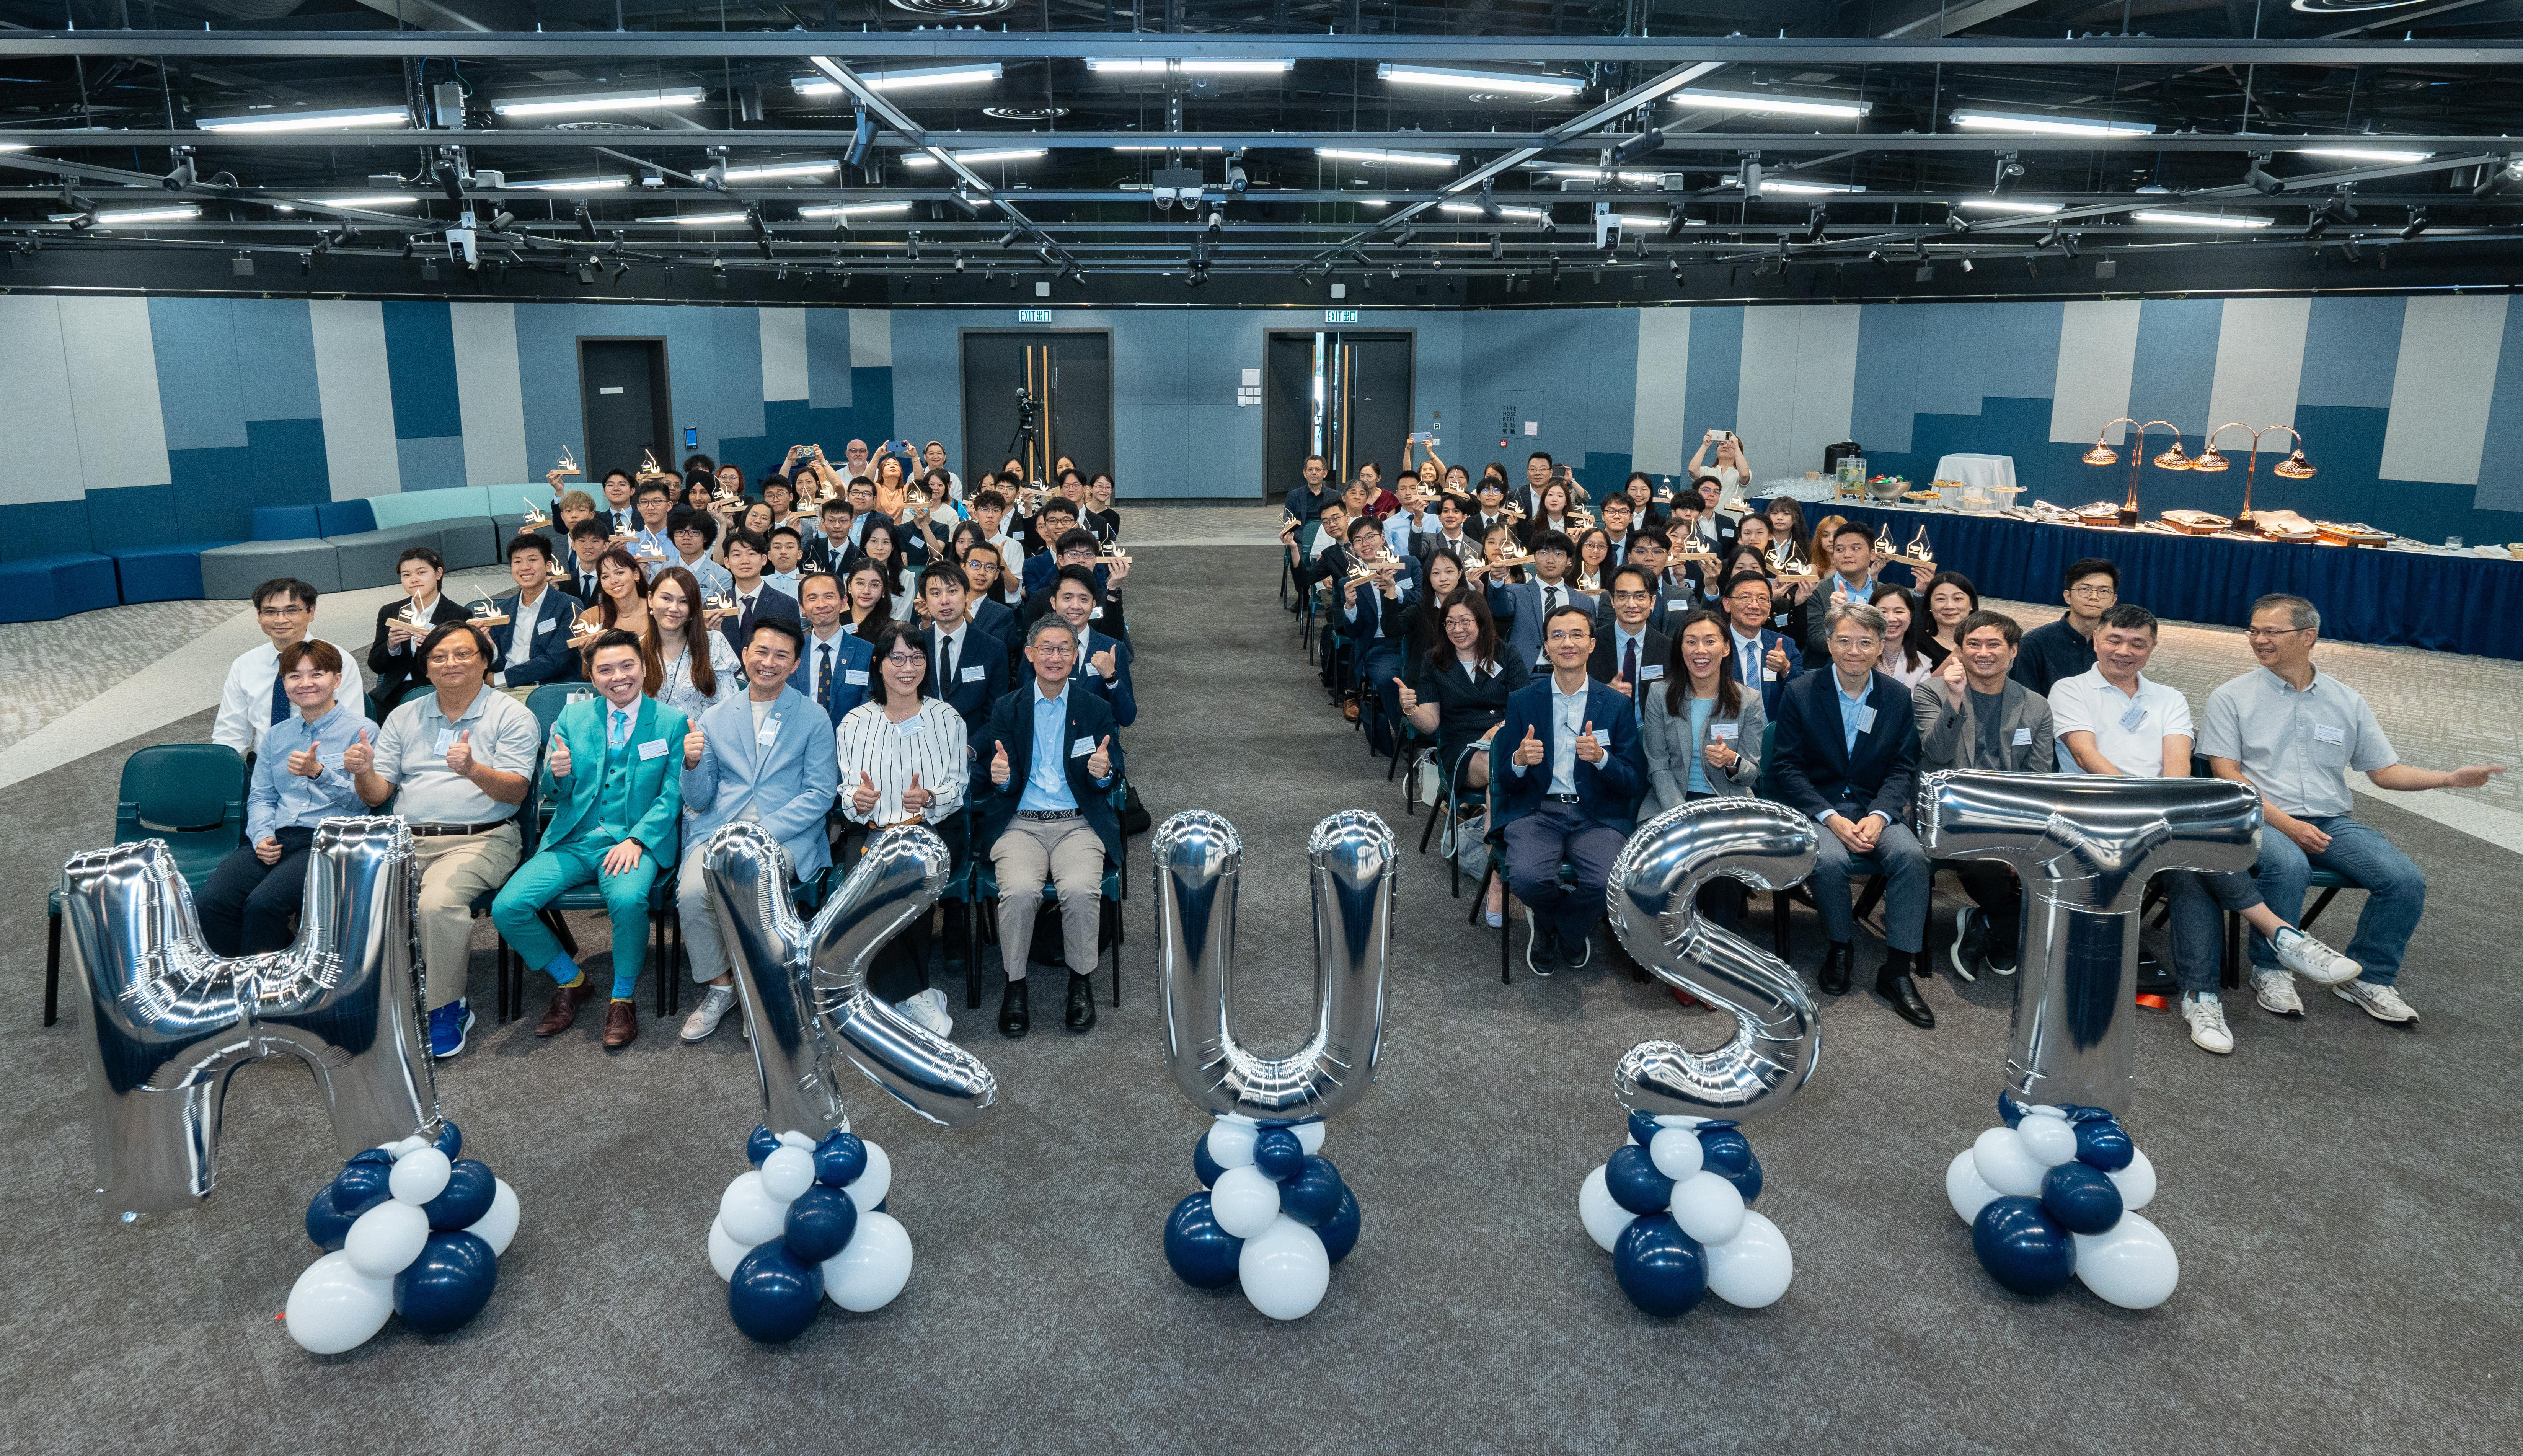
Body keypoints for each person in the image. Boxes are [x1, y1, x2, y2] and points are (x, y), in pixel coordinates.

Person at [2051, 603, 2362, 1053]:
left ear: (2152, 647)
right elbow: (2085, 758)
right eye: (2114, 640)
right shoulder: (2070, 689)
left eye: (2137, 643)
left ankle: (2203, 996)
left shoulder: (2168, 698)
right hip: (2096, 816)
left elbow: (2177, 768)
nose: (2124, 651)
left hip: (2163, 818)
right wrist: (2154, 808)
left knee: (2188, 871)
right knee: (2194, 853)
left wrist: (2163, 810)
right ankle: (2279, 933)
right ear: (2096, 640)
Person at [2201, 593, 2505, 1027]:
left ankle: (2370, 977)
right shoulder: (2231, 697)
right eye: (2253, 631)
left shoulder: (2344, 701)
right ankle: (2270, 970)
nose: (2258, 640)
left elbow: (2384, 772)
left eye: (2271, 631)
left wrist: (2449, 778)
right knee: (2287, 867)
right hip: (2257, 817)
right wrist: (2288, 824)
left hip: (2328, 821)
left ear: (2308, 636)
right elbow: (2228, 775)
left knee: (2403, 880)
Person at [344, 621, 539, 1057]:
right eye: (438, 657)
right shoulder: (405, 715)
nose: (450, 663)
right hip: (406, 839)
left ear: (484, 661)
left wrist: (473, 770)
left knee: (437, 903)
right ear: (426, 669)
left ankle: (448, 1006)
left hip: (482, 839)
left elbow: (516, 792)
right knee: (353, 895)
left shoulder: (512, 715)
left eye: (462, 654)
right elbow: (378, 794)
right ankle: (368, 1003)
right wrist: (362, 773)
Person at [493, 630, 688, 1050]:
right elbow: (553, 793)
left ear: (643, 666)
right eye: (606, 669)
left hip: (634, 841)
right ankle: (572, 980)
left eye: (627, 666)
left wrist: (637, 840)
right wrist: (556, 774)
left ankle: (622, 997)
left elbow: (672, 794)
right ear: (592, 675)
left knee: (629, 898)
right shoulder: (573, 718)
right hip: (574, 838)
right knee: (508, 908)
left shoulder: (670, 723)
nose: (618, 677)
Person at [1768, 601, 1935, 1029]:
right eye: (1844, 640)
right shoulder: (1802, 691)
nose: (1854, 650)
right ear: (1829, 643)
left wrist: (1880, 815)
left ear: (1881, 645)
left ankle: (1896, 971)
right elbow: (1785, 766)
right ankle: (1839, 947)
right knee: (1828, 860)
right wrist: (1828, 817)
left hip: (1873, 807)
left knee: (1912, 858)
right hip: (1819, 809)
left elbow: (1903, 766)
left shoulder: (1896, 697)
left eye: (1865, 642)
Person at [674, 618, 834, 1042]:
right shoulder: (715, 716)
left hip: (782, 835)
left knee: (749, 886)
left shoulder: (813, 717)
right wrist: (690, 764)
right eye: (761, 652)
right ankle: (721, 986)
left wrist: (763, 832)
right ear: (744, 656)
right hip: (719, 830)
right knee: (691, 892)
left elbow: (820, 794)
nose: (769, 662)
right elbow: (699, 798)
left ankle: (761, 992)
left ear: (796, 663)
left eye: (781, 655)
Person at [979, 615, 1124, 1040]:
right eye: (1046, 648)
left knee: (1080, 891)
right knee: (1020, 892)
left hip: (1076, 824)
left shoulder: (1094, 709)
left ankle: (1080, 983)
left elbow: (1107, 774)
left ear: (1075, 656)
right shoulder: (1009, 707)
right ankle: (1015, 985)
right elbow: (1002, 778)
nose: (1055, 656)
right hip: (1021, 824)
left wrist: (1102, 773)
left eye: (1064, 648)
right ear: (1029, 654)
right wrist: (1000, 776)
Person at [1491, 605, 1648, 974]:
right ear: (1546, 646)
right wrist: (1517, 759)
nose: (1568, 643)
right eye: (1558, 635)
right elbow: (1504, 780)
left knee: (1610, 880)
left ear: (1592, 644)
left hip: (1595, 816)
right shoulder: (1523, 701)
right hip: (1536, 811)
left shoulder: (1615, 705)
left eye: (1577, 634)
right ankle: (1561, 927)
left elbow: (1632, 781)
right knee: (1528, 877)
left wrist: (1601, 759)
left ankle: (1558, 928)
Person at [834, 622, 970, 1037]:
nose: (907, 667)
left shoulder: (945, 717)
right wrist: (857, 802)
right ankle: (918, 994)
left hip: (933, 828)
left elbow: (958, 786)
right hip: (872, 831)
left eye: (916, 657)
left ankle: (894, 992)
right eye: (897, 657)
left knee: (905, 875)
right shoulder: (855, 722)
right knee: (883, 880)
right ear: (879, 665)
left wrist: (930, 797)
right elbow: (845, 790)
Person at [198, 641, 375, 957]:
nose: (305, 683)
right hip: (278, 836)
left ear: (337, 679)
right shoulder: (278, 735)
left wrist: (319, 773)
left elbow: (363, 804)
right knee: (212, 901)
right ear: (284, 684)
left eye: (316, 674)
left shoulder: (362, 732)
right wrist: (262, 834)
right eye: (294, 676)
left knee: (264, 905)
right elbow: (262, 796)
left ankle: (270, 994)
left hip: (328, 840)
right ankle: (237, 982)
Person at [1912, 610, 2052, 981]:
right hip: (1949, 813)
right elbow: (1936, 755)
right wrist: (1955, 700)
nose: (1983, 652)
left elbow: (2035, 779)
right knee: (1982, 862)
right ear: (1958, 650)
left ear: (2013, 651)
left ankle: (1986, 921)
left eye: (1994, 644)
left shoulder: (2035, 705)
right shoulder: (1931, 692)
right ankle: (2010, 928)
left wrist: (2012, 836)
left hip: (2009, 813)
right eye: (1972, 644)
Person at [1398, 592, 1528, 928]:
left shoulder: (1506, 654)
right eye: (1450, 622)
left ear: (1482, 622)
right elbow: (1431, 723)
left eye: (1465, 621)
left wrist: (1500, 728)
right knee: (1497, 770)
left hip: (1506, 738)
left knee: (1512, 764)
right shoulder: (1435, 660)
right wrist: (1410, 709)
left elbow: (1525, 708)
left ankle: (1528, 859)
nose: (1457, 629)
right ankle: (1498, 881)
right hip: (1462, 748)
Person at [1640, 609, 1768, 939]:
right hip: (1671, 802)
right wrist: (1680, 814)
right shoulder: (1659, 694)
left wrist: (1731, 761)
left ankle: (1714, 957)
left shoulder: (1748, 700)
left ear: (1726, 648)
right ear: (1680, 649)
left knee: (1722, 872)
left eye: (1710, 641)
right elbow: (1657, 764)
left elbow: (1751, 772)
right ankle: (1674, 951)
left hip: (1726, 804)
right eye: (1691, 642)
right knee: (1667, 869)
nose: (1700, 650)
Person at [213, 577, 366, 756]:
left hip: (324, 763)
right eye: (270, 612)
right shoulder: (245, 664)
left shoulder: (338, 659)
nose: (280, 620)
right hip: (266, 765)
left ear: (311, 612)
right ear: (258, 615)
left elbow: (351, 727)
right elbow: (230, 732)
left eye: (291, 610)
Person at [1339, 515, 1420, 749]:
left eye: (1371, 537)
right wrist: (1350, 607)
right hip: (1378, 647)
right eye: (1358, 540)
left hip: (1413, 639)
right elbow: (1353, 633)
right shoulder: (1349, 581)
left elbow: (1425, 600)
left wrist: (1396, 591)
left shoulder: (1408, 564)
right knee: (1390, 681)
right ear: (1353, 547)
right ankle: (1408, 744)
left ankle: (1432, 736)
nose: (1365, 544)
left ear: (1383, 538)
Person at [365, 547, 470, 716]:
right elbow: (375, 665)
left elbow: (465, 665)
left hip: (435, 691)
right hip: (392, 692)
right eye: (406, 575)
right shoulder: (390, 611)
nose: (414, 579)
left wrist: (436, 647)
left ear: (438, 573)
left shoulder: (458, 614)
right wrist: (391, 646)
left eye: (421, 572)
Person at [1031, 566, 1138, 728]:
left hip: (1096, 748)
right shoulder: (1037, 647)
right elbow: (1023, 703)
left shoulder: (1111, 648)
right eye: (1067, 598)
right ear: (1054, 602)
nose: (1075, 606)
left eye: (1084, 599)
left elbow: (1127, 717)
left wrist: (1111, 678)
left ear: (1093, 604)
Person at [484, 536, 582, 692]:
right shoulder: (501, 610)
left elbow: (556, 660)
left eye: (532, 560)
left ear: (548, 566)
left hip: (546, 689)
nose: (525, 567)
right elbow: (499, 663)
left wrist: (497, 679)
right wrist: (492, 649)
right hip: (501, 690)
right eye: (517, 562)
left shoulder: (569, 605)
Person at [2013, 558, 2118, 698]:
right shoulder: (2034, 643)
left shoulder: (2119, 645)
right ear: (2068, 596)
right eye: (2085, 589)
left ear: (2113, 600)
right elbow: (2024, 699)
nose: (2094, 597)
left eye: (2104, 591)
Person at [647, 566, 743, 719]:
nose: (674, 608)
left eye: (684, 601)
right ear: (650, 599)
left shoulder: (714, 643)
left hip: (703, 739)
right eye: (666, 598)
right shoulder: (635, 650)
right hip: (653, 740)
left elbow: (730, 709)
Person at [1495, 531, 1598, 672]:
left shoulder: (1584, 602)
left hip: (1570, 675)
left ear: (1569, 561)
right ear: (1534, 558)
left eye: (1558, 554)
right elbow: (1499, 609)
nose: (1551, 560)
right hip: (1527, 675)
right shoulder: (1516, 592)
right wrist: (1496, 582)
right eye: (1544, 553)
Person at [789, 569, 876, 728]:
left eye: (829, 596)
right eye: (812, 598)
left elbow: (870, 705)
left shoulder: (866, 652)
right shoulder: (792, 651)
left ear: (844, 601)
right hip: (799, 737)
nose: (821, 604)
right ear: (802, 606)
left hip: (851, 739)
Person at [1718, 572, 1800, 717]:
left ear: (1769, 607)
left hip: (1772, 732)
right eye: (1745, 598)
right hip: (1726, 730)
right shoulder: (1715, 644)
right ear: (1728, 604)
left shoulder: (1786, 645)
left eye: (1762, 599)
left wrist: (1785, 669)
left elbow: (1802, 695)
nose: (1754, 605)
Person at [1590, 564, 1672, 705]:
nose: (1631, 604)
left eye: (1640, 596)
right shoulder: (1591, 644)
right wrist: (1605, 693)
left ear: (1652, 602)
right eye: (1623, 596)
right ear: (1612, 601)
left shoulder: (1668, 648)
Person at [1802, 521, 1883, 664]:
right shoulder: (1816, 590)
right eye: (1840, 550)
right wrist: (1836, 616)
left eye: (1855, 549)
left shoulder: (1884, 592)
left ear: (1872, 555)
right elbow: (1815, 640)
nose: (1847, 555)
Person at [718, 527, 800, 655]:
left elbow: (793, 652)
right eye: (737, 555)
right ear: (727, 562)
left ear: (764, 559)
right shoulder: (716, 606)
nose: (745, 561)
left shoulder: (786, 604)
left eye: (751, 554)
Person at [1870, 584, 1947, 689]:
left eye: (1899, 612)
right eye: (1883, 611)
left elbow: (1919, 703)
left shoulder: (1923, 664)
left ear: (1911, 617)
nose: (1891, 618)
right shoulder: (1857, 655)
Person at [665, 505, 736, 600]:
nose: (686, 537)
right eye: (680, 532)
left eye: (694, 532)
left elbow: (721, 611)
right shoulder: (660, 571)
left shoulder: (722, 575)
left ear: (706, 537)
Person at [1921, 571, 1980, 658]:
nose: (1949, 606)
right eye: (1941, 599)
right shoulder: (1916, 643)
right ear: (1930, 604)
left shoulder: (1985, 641)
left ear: (1971, 603)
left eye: (1957, 598)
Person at [1687, 430, 1753, 496]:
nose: (1725, 446)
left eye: (1730, 445)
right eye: (1722, 444)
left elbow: (1744, 475)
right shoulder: (1707, 471)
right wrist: (1705, 446)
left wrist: (1736, 447)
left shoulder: (1739, 473)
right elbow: (1692, 470)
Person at [563, 518, 612, 605]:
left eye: (595, 541)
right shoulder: (564, 582)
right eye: (582, 541)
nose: (588, 547)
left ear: (606, 546)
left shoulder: (614, 581)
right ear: (574, 545)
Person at [763, 525, 807, 596]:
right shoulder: (760, 583)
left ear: (799, 554)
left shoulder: (810, 583)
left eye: (789, 547)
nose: (783, 552)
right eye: (778, 547)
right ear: (770, 555)